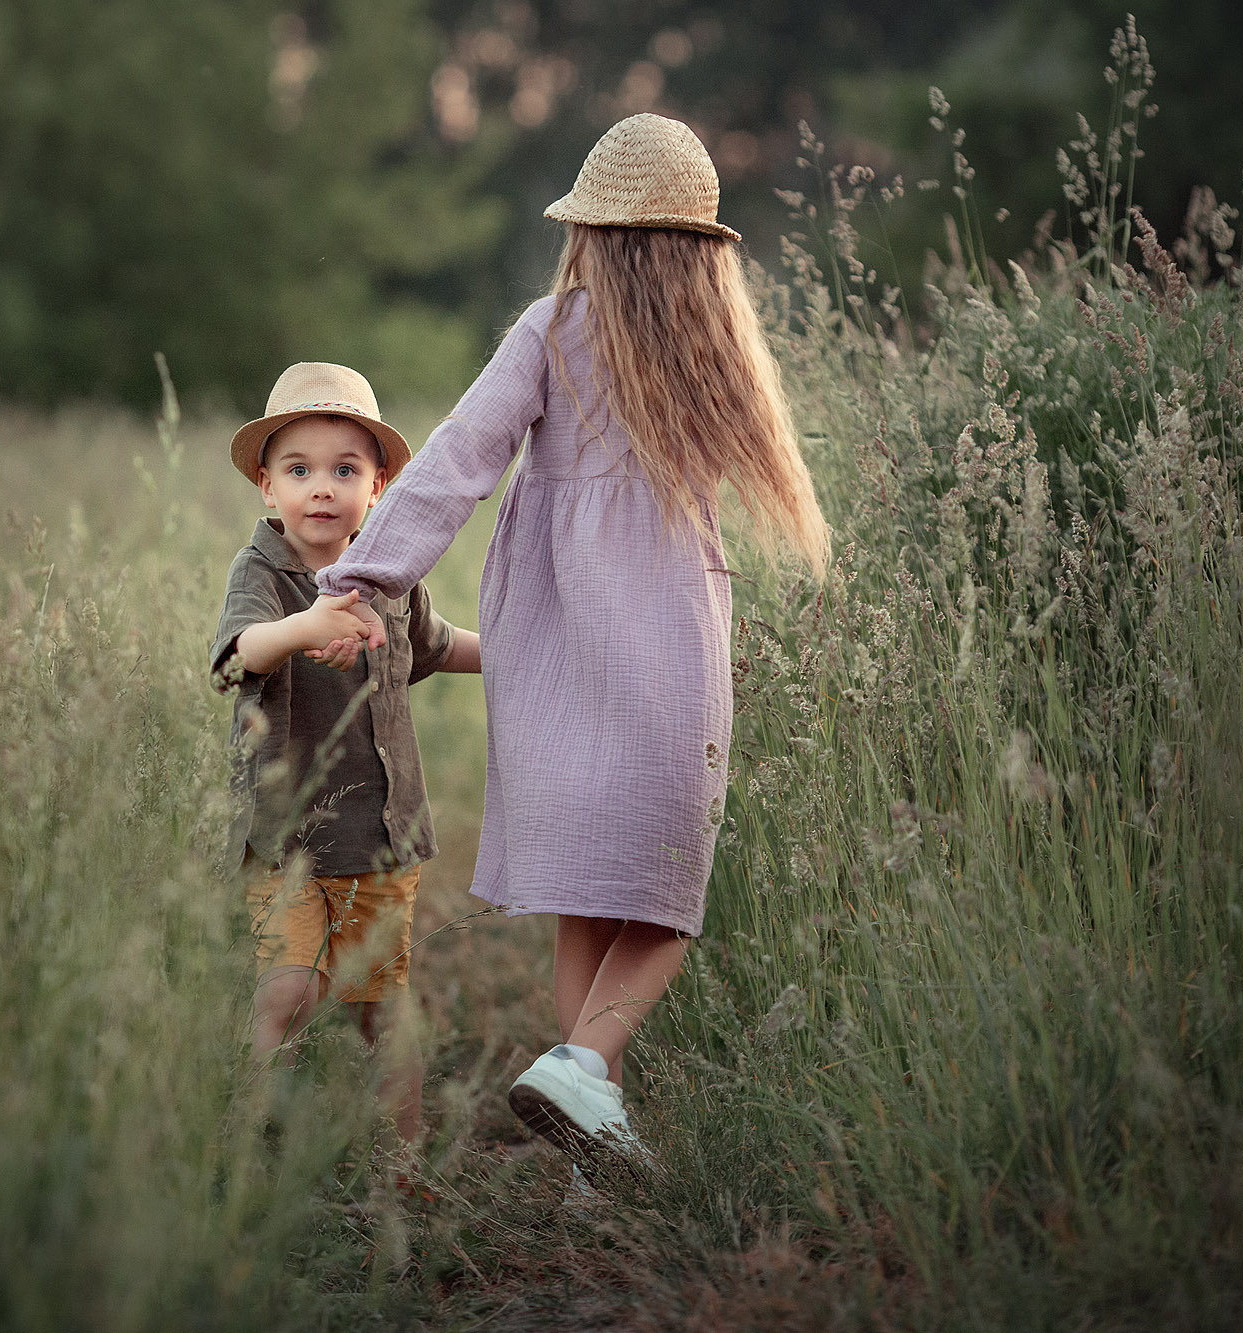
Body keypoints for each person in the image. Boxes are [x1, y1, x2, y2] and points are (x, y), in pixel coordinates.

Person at [315, 115, 830, 1168]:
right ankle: (586, 1068)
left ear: (589, 233)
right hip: (664, 644)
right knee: (667, 890)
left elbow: (456, 461)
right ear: (696, 247)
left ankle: (588, 1114)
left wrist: (364, 577)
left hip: (546, 645)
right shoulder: (711, 347)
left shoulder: (547, 331)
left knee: (592, 898)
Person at [211, 361, 482, 1148]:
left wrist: (513, 653)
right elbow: (235, 657)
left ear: (379, 485)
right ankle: (252, 1143)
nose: (321, 488)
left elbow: (436, 646)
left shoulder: (390, 577)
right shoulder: (263, 571)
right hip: (285, 836)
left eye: (344, 470)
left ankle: (404, 1161)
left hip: (380, 836)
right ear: (268, 487)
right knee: (288, 992)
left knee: (381, 1007)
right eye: (299, 470)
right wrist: (305, 628)